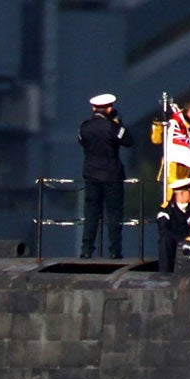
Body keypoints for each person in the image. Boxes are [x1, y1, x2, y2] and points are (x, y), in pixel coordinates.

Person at [78, 92, 127, 259]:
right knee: (113, 214)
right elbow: (128, 141)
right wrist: (118, 123)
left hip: (91, 175)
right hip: (112, 175)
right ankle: (114, 250)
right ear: (109, 108)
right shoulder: (113, 127)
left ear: (93, 108)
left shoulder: (84, 127)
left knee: (91, 214)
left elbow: (82, 141)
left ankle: (86, 249)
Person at [156, 184, 190, 274]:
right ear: (180, 194)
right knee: (165, 240)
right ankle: (165, 272)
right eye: (189, 192)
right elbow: (163, 231)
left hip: (188, 244)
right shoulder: (166, 210)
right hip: (173, 244)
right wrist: (182, 239)